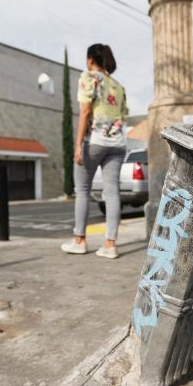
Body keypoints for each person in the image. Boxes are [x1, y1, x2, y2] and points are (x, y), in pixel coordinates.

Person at [61, 43, 128, 259]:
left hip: (95, 141)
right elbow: (122, 115)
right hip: (117, 144)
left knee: (82, 190)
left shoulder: (89, 77)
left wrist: (78, 144)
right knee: (112, 192)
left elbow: (85, 110)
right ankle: (110, 245)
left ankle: (80, 240)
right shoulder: (118, 86)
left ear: (90, 59)